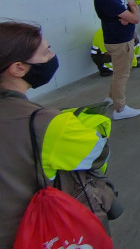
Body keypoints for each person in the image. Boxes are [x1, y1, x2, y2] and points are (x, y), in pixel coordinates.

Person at [0, 21, 120, 247]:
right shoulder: (46, 123)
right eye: (46, 52)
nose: (52, 56)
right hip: (36, 233)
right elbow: (97, 153)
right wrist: (91, 123)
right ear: (18, 68)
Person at [93, 0, 140, 120]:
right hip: (118, 41)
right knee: (122, 74)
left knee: (120, 72)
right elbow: (135, 17)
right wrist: (131, 16)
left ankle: (111, 97)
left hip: (125, 38)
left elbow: (133, 5)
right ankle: (120, 108)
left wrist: (128, 15)